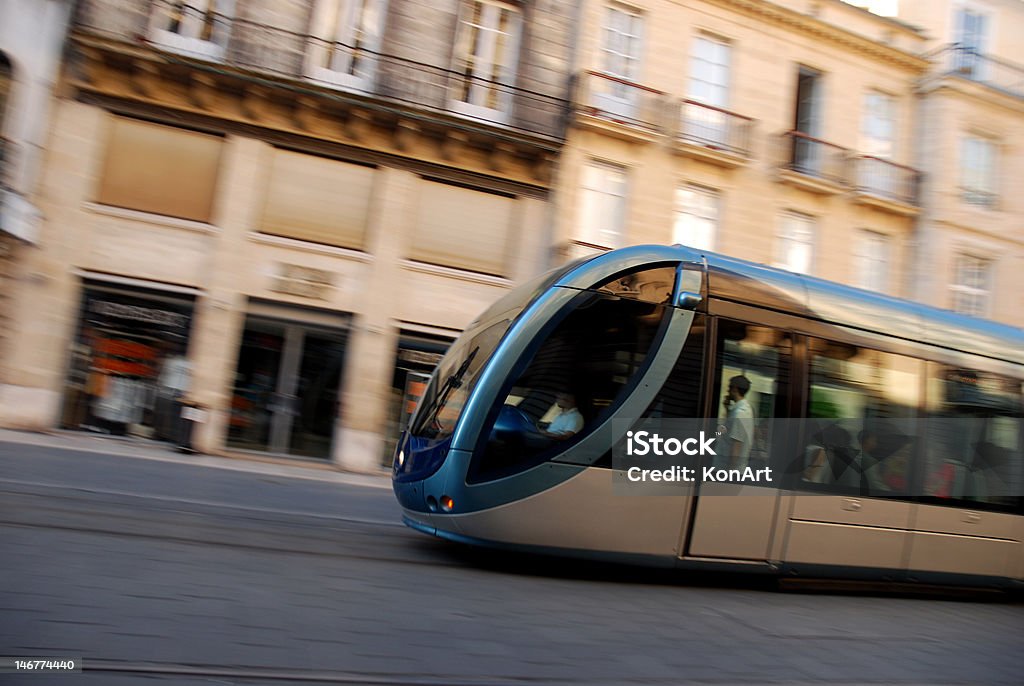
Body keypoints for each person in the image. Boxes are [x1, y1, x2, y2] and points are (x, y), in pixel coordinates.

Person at [717, 375, 754, 469]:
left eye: (729, 387)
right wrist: (727, 409)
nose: (728, 391)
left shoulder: (741, 413)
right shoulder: (739, 410)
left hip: (729, 471)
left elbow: (736, 446)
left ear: (735, 389)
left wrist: (729, 475)